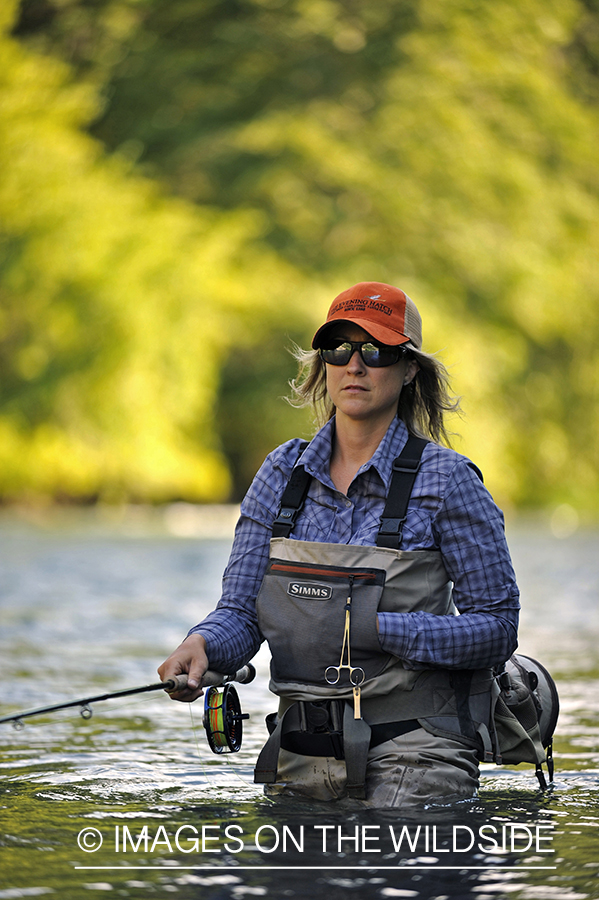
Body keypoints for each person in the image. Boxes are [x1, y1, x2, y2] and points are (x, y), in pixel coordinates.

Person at [158, 281, 520, 807]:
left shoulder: (449, 481)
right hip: (301, 749)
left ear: (409, 368)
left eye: (375, 351)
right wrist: (203, 645)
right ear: (322, 364)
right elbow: (240, 611)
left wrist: (375, 629)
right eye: (338, 349)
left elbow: (498, 628)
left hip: (417, 749)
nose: (355, 365)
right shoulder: (281, 472)